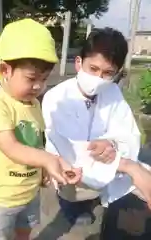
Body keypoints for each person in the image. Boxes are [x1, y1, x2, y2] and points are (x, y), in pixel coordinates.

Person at [0, 19, 81, 240]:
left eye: (43, 79)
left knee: (25, 232)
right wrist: (48, 160)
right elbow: (11, 147)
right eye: (31, 78)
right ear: (5, 70)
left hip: (30, 194)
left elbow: (37, 142)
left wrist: (44, 171)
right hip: (1, 199)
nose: (38, 86)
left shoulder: (34, 105)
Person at [42, 27, 151, 239]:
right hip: (73, 172)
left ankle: (94, 198)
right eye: (93, 68)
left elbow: (127, 131)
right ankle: (71, 206)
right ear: (78, 63)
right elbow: (72, 153)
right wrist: (130, 166)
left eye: (108, 73)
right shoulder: (57, 98)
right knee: (74, 189)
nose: (99, 78)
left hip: (107, 166)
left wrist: (112, 144)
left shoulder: (111, 91)